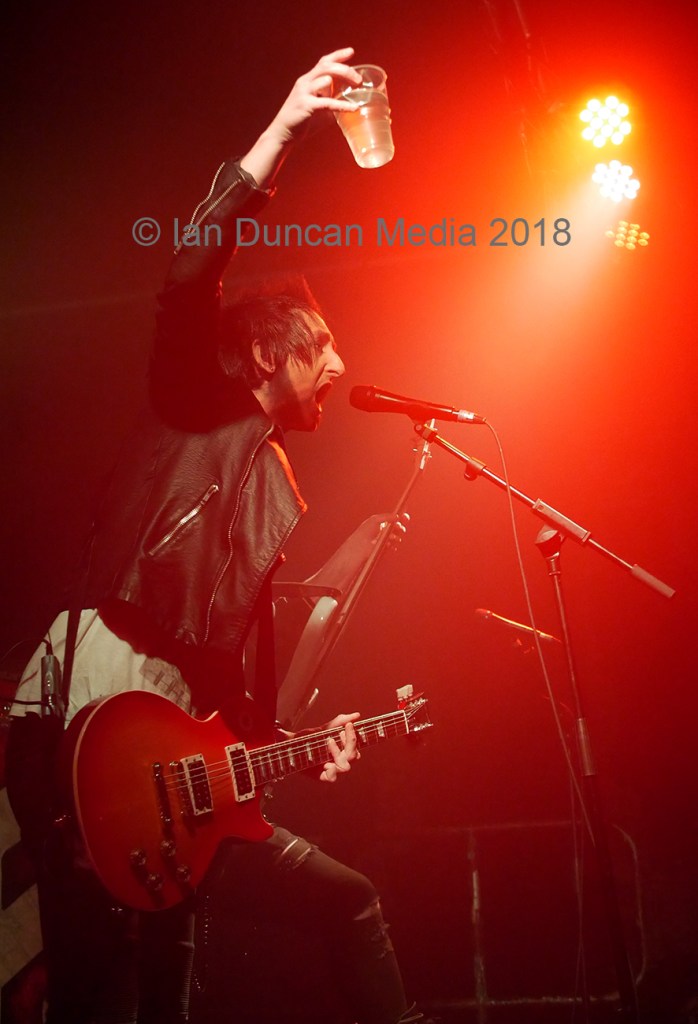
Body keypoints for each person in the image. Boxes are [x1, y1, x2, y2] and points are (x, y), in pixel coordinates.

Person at [8, 48, 427, 1024]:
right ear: (257, 354)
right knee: (94, 981)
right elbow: (194, 259)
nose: (338, 364)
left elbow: (221, 672)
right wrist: (286, 122)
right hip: (88, 723)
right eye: (319, 346)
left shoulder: (278, 488)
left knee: (169, 980)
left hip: (173, 762)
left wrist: (290, 743)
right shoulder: (191, 405)